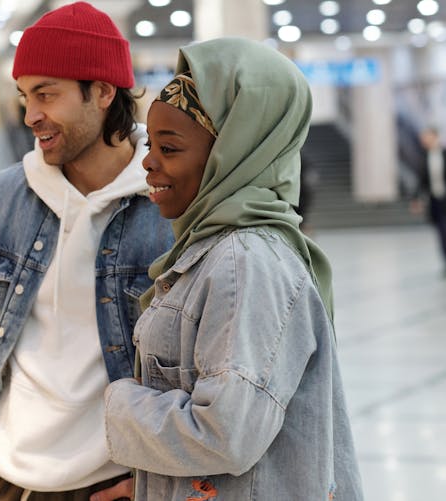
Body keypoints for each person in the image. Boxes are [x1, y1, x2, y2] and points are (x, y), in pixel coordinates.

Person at [103, 38, 364, 500]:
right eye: (150, 142)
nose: (148, 161)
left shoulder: (246, 264)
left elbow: (226, 433)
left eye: (170, 147)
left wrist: (119, 405)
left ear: (233, 154)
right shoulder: (214, 251)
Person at [0, 2, 174, 500]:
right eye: (24, 95)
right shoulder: (2, 199)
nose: (30, 115)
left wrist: (156, 478)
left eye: (46, 94)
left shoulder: (167, 204)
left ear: (104, 92)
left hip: (114, 483)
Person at [414, 126, 446, 273]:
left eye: (426, 136)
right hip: (436, 201)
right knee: (441, 232)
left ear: (434, 136)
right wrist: (416, 199)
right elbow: (422, 180)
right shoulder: (424, 156)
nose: (423, 139)